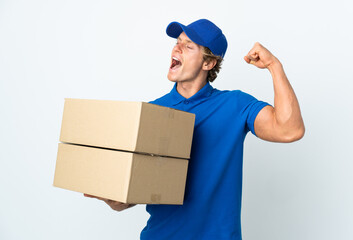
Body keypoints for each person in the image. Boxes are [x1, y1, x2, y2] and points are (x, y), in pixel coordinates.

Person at [85, 19, 305, 239]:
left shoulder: (235, 105)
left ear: (208, 63)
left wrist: (274, 66)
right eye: (178, 42)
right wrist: (111, 197)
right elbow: (131, 196)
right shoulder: (153, 112)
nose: (176, 48)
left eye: (188, 46)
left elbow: (290, 129)